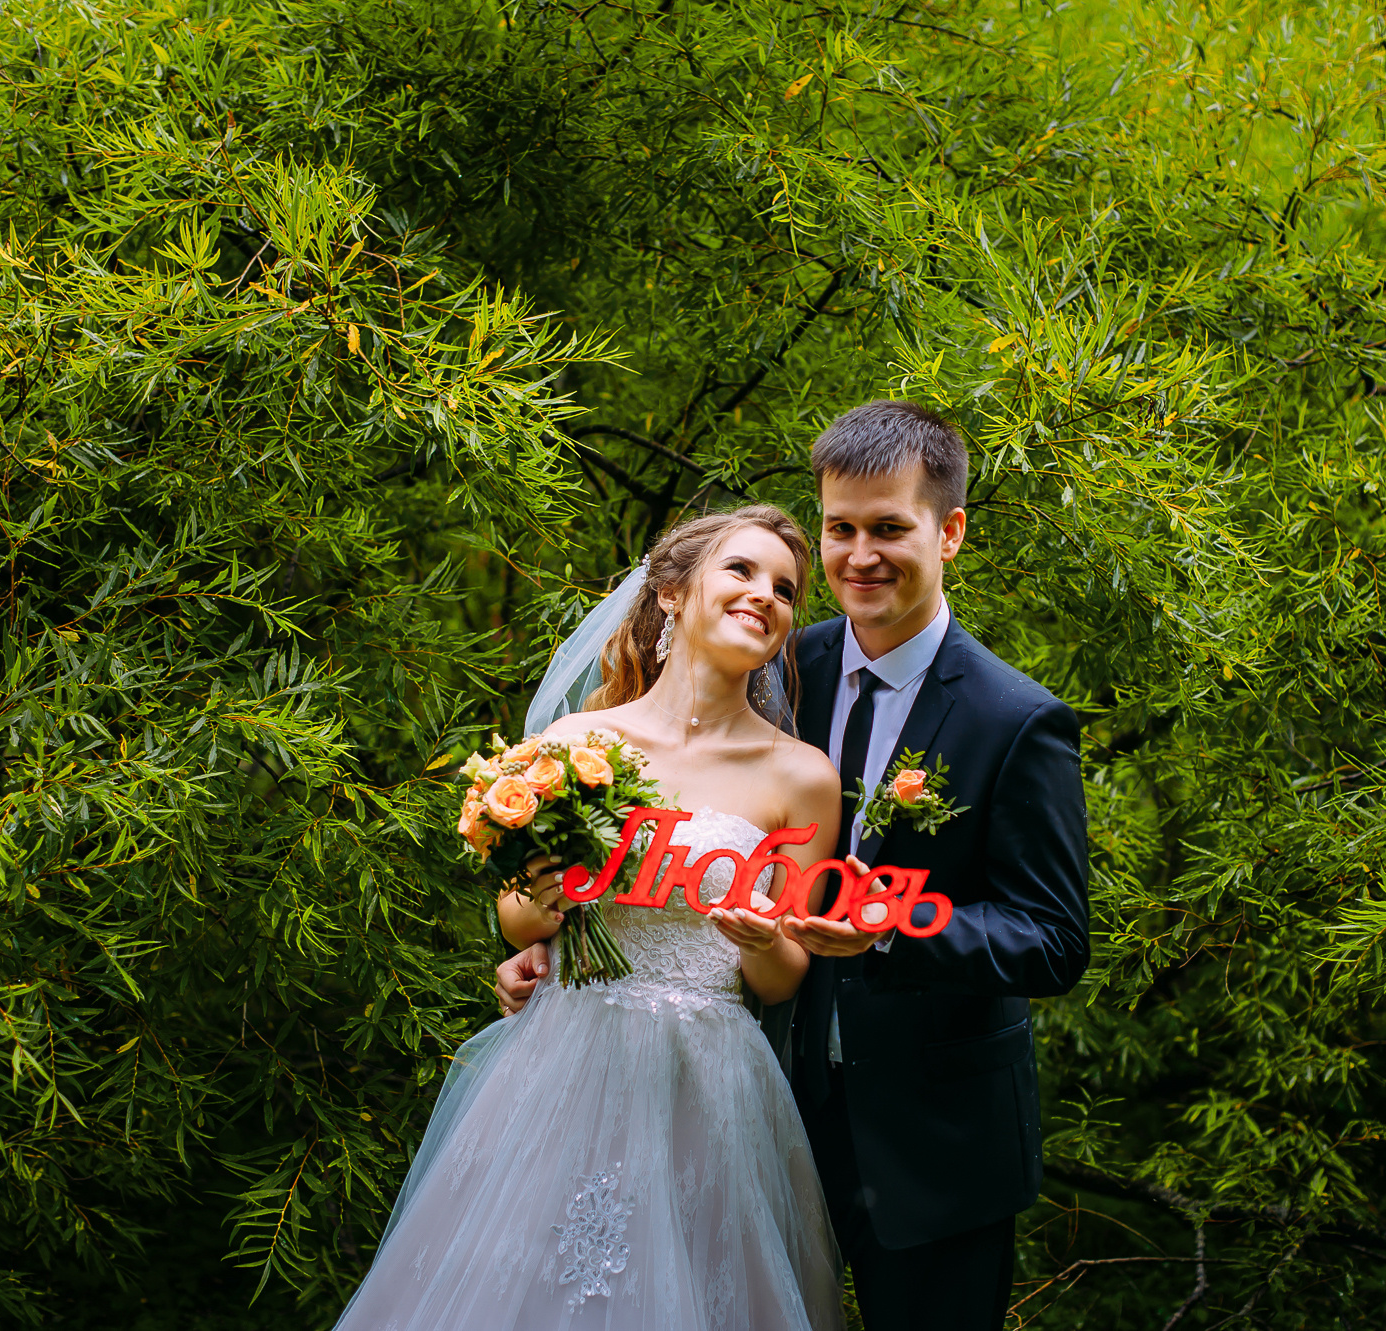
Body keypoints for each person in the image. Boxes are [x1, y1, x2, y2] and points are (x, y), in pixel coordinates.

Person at [502, 401, 1093, 1331]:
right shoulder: (780, 662)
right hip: (758, 1112)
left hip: (935, 1144)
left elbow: (1052, 939)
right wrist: (548, 939)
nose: (861, 555)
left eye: (889, 528)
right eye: (840, 529)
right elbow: (651, 826)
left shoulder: (1014, 719)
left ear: (949, 532)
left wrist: (888, 930)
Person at [334, 504, 844, 1331]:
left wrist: (758, 940)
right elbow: (515, 915)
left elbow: (785, 976)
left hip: (707, 1079)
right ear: (672, 593)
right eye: (741, 570)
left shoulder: (803, 777)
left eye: (785, 589)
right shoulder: (578, 742)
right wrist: (542, 904)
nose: (766, 594)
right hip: (567, 1056)